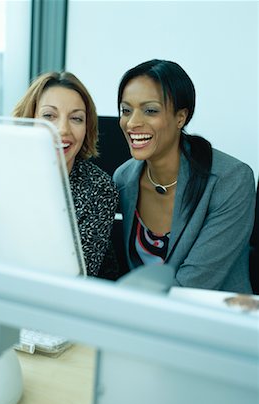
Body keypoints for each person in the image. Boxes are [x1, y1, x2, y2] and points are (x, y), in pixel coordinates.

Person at [113, 59, 256, 293]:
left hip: (214, 322)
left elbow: (195, 283)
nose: (132, 122)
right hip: (143, 318)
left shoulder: (230, 180)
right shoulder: (124, 179)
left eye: (150, 111)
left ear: (181, 117)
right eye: (126, 110)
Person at [13, 71, 119, 278]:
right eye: (49, 116)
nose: (63, 129)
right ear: (29, 120)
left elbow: (77, 276)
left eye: (76, 118)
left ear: (86, 128)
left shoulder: (99, 189)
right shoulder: (6, 177)